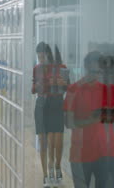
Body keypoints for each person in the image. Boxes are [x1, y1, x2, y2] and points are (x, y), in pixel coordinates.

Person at [63, 51, 114, 188]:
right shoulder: (73, 90)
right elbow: (69, 123)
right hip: (81, 155)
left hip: (107, 154)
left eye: (98, 71)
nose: (95, 75)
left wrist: (103, 116)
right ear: (86, 68)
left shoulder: (111, 90)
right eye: (92, 71)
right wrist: (93, 118)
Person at [31, 42, 69, 186]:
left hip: (57, 104)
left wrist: (59, 83)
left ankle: (57, 168)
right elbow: (33, 89)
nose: (40, 60)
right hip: (41, 105)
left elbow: (67, 86)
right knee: (43, 141)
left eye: (42, 57)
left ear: (48, 55)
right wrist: (38, 86)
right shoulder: (37, 69)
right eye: (38, 57)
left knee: (57, 141)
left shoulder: (61, 68)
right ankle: (46, 175)